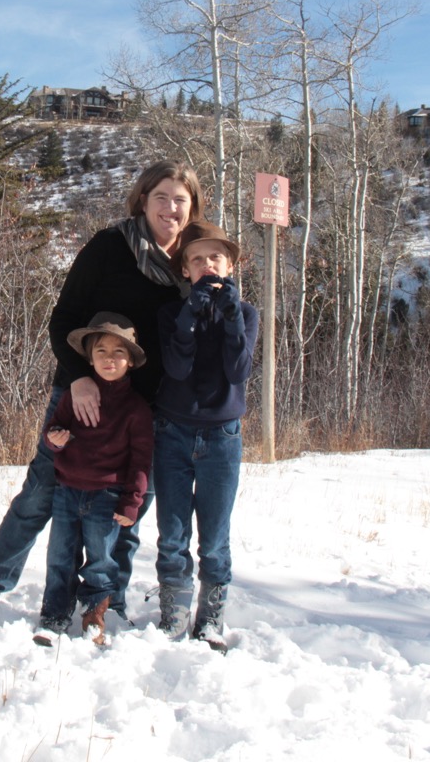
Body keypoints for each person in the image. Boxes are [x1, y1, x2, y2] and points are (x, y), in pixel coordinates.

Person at [0, 160, 204, 622]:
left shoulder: (193, 263)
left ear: (192, 207)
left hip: (146, 411)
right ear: (143, 200)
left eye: (180, 200)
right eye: (161, 197)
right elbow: (63, 319)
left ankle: (106, 603)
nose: (170, 208)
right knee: (39, 498)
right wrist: (78, 378)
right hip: (82, 400)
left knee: (126, 512)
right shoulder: (110, 246)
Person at [152, 219, 259, 651]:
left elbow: (238, 371)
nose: (207, 265)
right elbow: (176, 369)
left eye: (215, 257)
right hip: (172, 433)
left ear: (231, 265)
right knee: (172, 534)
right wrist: (189, 317)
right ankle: (174, 614)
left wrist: (230, 318)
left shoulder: (246, 313)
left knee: (214, 538)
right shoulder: (169, 313)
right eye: (196, 259)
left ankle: (211, 618)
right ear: (185, 269)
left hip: (222, 437)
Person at [33, 313, 154, 646]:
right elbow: (53, 430)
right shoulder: (74, 396)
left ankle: (94, 616)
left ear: (131, 360)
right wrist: (54, 439)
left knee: (101, 560)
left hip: (107, 495)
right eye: (101, 351)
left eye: (118, 352)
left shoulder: (136, 408)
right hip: (68, 490)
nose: (109, 359)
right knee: (60, 556)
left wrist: (132, 501)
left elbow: (141, 460)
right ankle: (54, 616)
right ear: (89, 358)